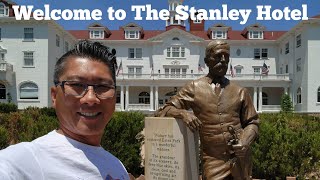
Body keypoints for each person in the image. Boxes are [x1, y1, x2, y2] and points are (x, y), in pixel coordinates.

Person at [0, 40, 129, 180]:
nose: (91, 98)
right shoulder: (26, 160)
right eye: (76, 85)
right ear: (54, 96)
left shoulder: (117, 166)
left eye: (103, 86)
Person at [155, 40, 259, 180]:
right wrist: (183, 113)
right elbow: (164, 109)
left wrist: (245, 142)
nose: (223, 61)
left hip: (240, 159)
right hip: (212, 161)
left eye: (226, 57)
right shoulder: (194, 88)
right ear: (206, 61)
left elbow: (252, 122)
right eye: (218, 56)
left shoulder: (240, 91)